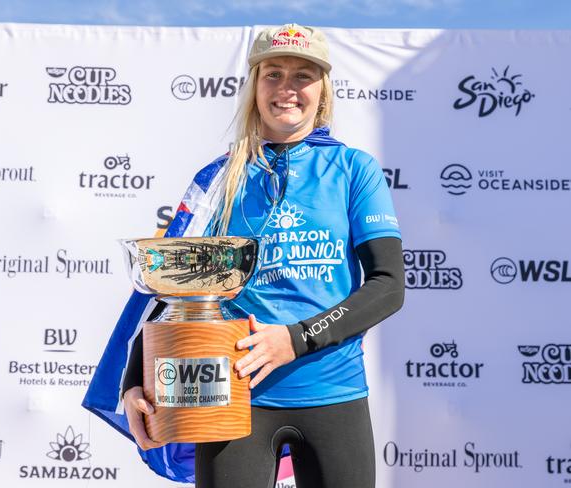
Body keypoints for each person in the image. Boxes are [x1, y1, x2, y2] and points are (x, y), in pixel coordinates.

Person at [84, 23, 404, 488]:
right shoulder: (219, 179)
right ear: (254, 86)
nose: (287, 88)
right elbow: (168, 293)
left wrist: (292, 340)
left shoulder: (354, 170)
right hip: (230, 397)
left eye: (303, 75)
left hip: (333, 394)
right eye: (273, 74)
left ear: (323, 89)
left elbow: (388, 286)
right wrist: (138, 381)